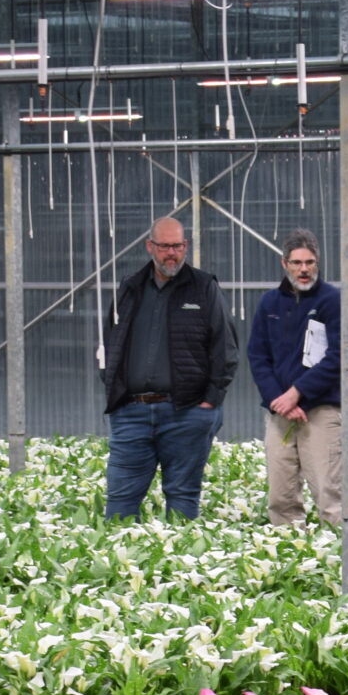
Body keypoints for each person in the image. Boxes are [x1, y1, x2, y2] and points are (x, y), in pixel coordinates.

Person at [101, 217, 236, 520]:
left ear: (185, 246)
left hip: (186, 413)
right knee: (120, 502)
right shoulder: (130, 288)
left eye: (177, 246)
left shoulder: (203, 287)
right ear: (150, 247)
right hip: (131, 413)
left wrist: (209, 402)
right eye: (164, 246)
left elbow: (225, 348)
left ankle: (177, 567)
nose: (171, 253)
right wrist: (114, 391)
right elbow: (110, 343)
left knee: (182, 497)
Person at [247, 229, 343, 527]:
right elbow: (257, 356)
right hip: (280, 411)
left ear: (318, 263)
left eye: (310, 262)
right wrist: (281, 400)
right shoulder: (269, 303)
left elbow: (339, 356)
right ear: (284, 263)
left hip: (321, 410)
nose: (304, 269)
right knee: (281, 494)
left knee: (330, 493)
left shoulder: (332, 300)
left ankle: (338, 561)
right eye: (297, 262)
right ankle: (291, 554)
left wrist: (298, 392)